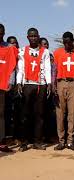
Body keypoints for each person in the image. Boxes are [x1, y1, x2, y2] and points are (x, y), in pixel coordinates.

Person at [16, 28, 51, 152]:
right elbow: (20, 69)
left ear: (38, 36)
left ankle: (37, 141)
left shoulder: (45, 52)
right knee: (25, 115)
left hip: (40, 85)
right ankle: (24, 142)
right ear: (27, 37)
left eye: (35, 36)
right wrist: (18, 83)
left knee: (39, 114)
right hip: (27, 84)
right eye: (31, 36)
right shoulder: (22, 51)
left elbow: (47, 68)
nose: (33, 38)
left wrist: (49, 84)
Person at [53, 32, 74, 151]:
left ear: (72, 41)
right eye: (64, 42)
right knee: (60, 113)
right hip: (61, 83)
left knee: (72, 113)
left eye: (68, 42)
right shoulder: (57, 53)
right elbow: (54, 70)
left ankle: (70, 141)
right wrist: (53, 85)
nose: (66, 44)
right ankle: (61, 140)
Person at [0, 24, 18, 152]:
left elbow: (12, 67)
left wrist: (10, 82)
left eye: (1, 33)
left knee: (1, 114)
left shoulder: (9, 48)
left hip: (1, 85)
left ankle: (1, 141)